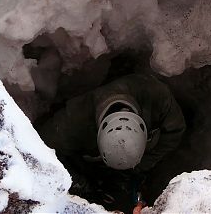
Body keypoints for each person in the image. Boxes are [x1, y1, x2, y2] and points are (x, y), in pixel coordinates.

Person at [36, 74, 186, 212]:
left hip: (140, 161)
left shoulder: (156, 97)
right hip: (89, 165)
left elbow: (175, 131)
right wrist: (83, 186)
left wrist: (140, 167)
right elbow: (40, 149)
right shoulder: (72, 124)